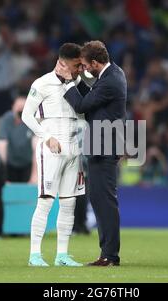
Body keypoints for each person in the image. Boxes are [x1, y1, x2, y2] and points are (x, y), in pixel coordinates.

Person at [56, 40, 127, 266]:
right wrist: (77, 81)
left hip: (104, 146)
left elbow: (82, 106)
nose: (84, 69)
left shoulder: (109, 82)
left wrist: (68, 82)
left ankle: (109, 256)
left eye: (86, 66)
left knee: (104, 201)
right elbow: (91, 98)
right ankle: (108, 253)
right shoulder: (112, 75)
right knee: (101, 199)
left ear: (95, 63)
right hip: (104, 145)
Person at [22, 43, 86, 267]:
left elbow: (84, 112)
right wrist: (46, 137)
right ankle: (34, 255)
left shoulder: (78, 83)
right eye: (76, 65)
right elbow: (26, 115)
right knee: (46, 201)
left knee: (69, 203)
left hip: (73, 146)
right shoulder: (41, 83)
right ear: (63, 63)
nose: (79, 68)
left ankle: (62, 255)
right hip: (51, 145)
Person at [0, 97, 34, 182]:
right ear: (13, 107)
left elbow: (37, 146)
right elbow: (1, 145)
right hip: (10, 164)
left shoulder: (33, 119)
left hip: (28, 164)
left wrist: (35, 175)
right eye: (18, 107)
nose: (21, 110)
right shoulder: (6, 119)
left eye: (23, 107)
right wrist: (2, 174)